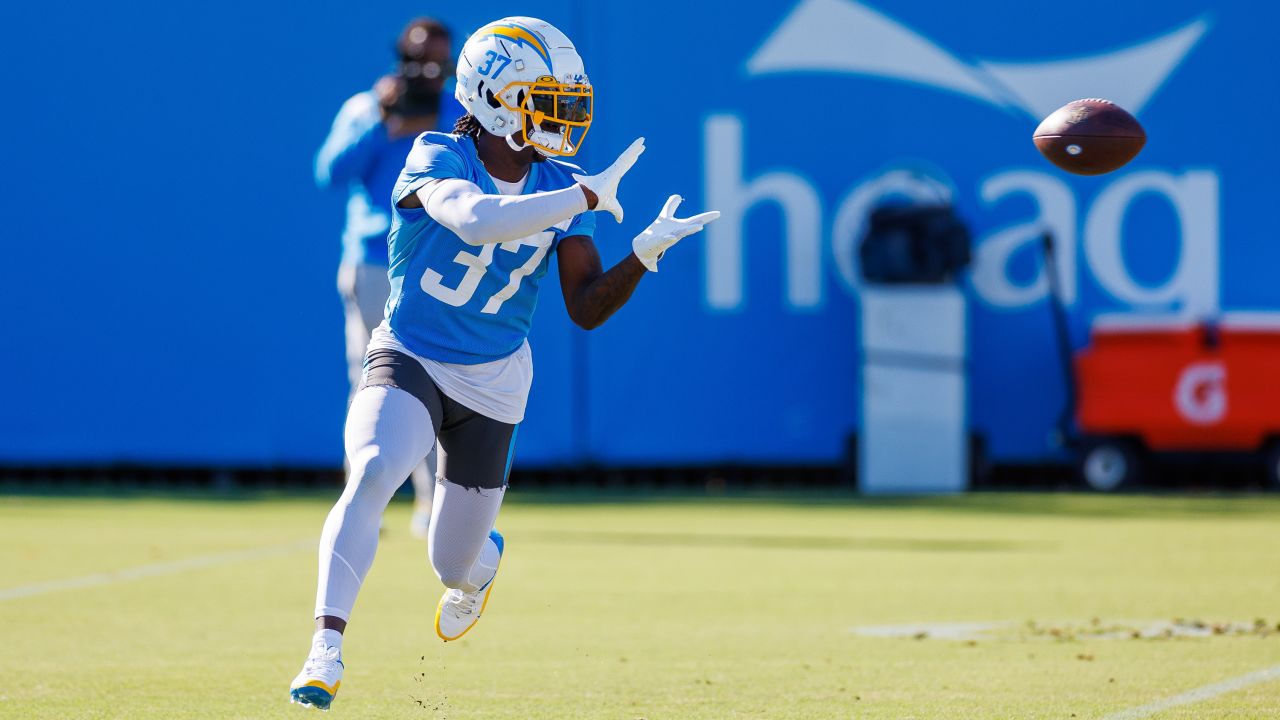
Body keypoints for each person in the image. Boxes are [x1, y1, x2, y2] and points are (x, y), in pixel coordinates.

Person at [289, 16, 719, 711]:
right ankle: (325, 648)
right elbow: (476, 219)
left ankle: (478, 568)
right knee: (371, 472)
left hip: (494, 379)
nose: (561, 115)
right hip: (412, 352)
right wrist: (580, 197)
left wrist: (641, 257)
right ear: (493, 96)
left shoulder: (565, 183)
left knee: (451, 562)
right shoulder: (436, 154)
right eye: (544, 98)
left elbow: (583, 306)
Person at [314, 17, 465, 537]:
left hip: (436, 264)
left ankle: (432, 503)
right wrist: (381, 122)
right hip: (375, 260)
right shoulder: (367, 106)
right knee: (372, 381)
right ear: (400, 53)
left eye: (438, 59)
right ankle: (361, 501)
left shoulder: (458, 114)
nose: (426, 68)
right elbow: (330, 171)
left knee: (442, 380)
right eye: (418, 56)